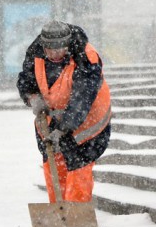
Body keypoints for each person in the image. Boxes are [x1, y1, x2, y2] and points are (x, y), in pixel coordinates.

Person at [17, 20, 111, 202]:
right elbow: (26, 79)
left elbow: (82, 99)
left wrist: (64, 128)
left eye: (59, 49)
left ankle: (78, 215)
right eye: (50, 50)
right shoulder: (35, 52)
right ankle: (59, 210)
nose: (54, 54)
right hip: (53, 119)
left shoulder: (86, 57)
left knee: (78, 166)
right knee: (53, 163)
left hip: (88, 120)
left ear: (67, 44)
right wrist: (32, 97)